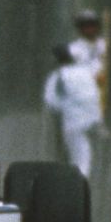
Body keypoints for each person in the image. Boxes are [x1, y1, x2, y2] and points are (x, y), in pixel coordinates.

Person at [43, 43, 103, 177]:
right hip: (91, 122)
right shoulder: (85, 72)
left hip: (71, 122)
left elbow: (51, 101)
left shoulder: (58, 75)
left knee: (75, 158)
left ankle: (74, 187)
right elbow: (95, 95)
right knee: (84, 157)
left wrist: (64, 107)